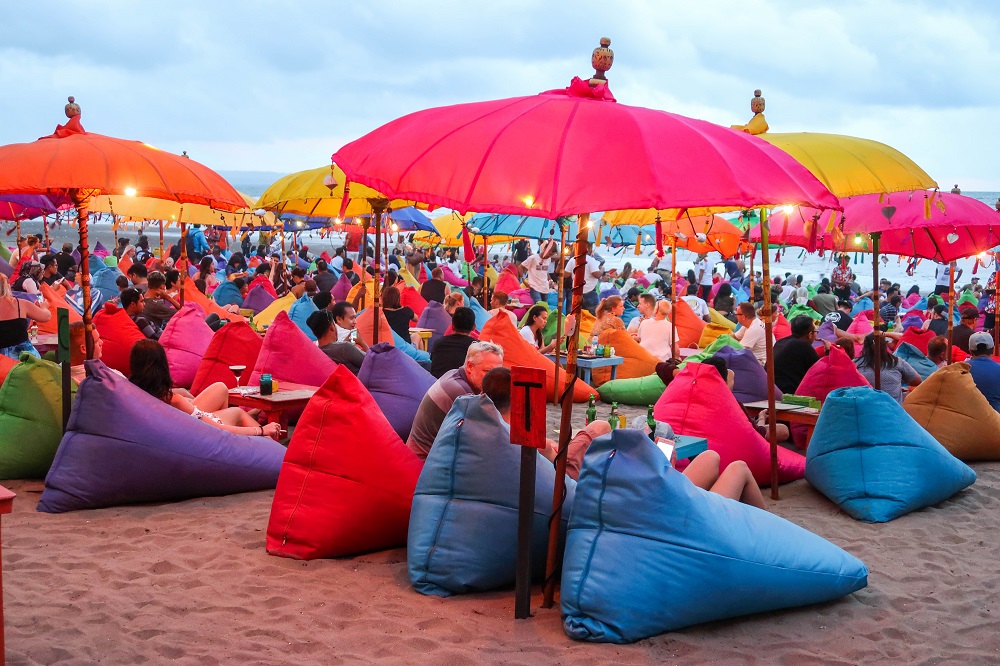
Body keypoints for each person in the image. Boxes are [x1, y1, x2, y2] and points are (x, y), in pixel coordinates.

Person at [128, 340, 282, 438]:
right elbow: (219, 429)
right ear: (162, 366)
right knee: (237, 412)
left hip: (182, 424)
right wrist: (262, 430)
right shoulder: (174, 400)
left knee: (220, 388)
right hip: (199, 433)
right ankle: (273, 447)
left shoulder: (131, 390)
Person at [407, 341, 504, 460]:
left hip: (429, 455)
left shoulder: (454, 374)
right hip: (425, 462)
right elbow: (490, 436)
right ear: (470, 366)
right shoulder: (462, 394)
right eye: (487, 372)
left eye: (497, 373)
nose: (494, 379)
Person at [854, 333, 921, 403]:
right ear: (885, 345)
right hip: (893, 408)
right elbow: (917, 381)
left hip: (863, 407)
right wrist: (896, 382)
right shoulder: (897, 362)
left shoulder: (855, 364)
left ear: (864, 346)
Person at [0, 274, 50, 359]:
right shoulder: (21, 304)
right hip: (25, 358)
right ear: (7, 286)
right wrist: (44, 307)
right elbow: (46, 316)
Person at [773, 316, 826, 394]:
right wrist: (828, 351)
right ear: (810, 334)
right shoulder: (802, 345)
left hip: (774, 390)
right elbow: (822, 369)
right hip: (789, 393)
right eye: (816, 332)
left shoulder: (780, 342)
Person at [307, 310, 367, 375]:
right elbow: (372, 363)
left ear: (314, 333)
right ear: (332, 327)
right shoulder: (345, 348)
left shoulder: (315, 354)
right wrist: (362, 343)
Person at [431, 307, 478, 378]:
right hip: (463, 384)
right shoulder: (477, 348)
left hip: (437, 383)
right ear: (473, 327)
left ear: (452, 326)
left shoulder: (438, 343)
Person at [564, 241, 603, 314]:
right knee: (592, 317)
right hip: (590, 292)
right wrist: (602, 270)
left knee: (576, 315)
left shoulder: (573, 259)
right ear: (589, 248)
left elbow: (566, 275)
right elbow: (597, 275)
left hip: (576, 291)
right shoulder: (591, 260)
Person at [966, 332, 1000, 412]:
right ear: (993, 350)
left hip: (967, 416)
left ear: (970, 351)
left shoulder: (961, 369)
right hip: (995, 416)